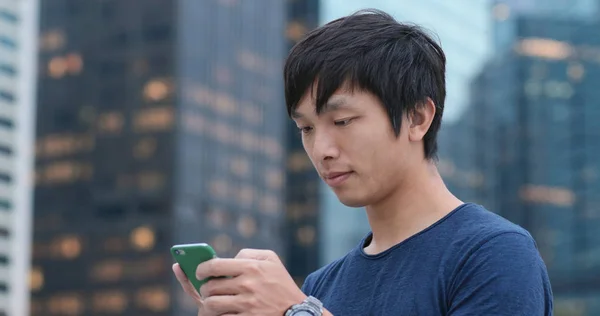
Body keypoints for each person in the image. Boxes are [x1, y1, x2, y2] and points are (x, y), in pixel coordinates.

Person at [173, 9, 554, 315]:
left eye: (342, 121)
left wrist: (297, 311)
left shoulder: (492, 253)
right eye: (305, 128)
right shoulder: (323, 285)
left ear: (417, 117)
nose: (322, 148)